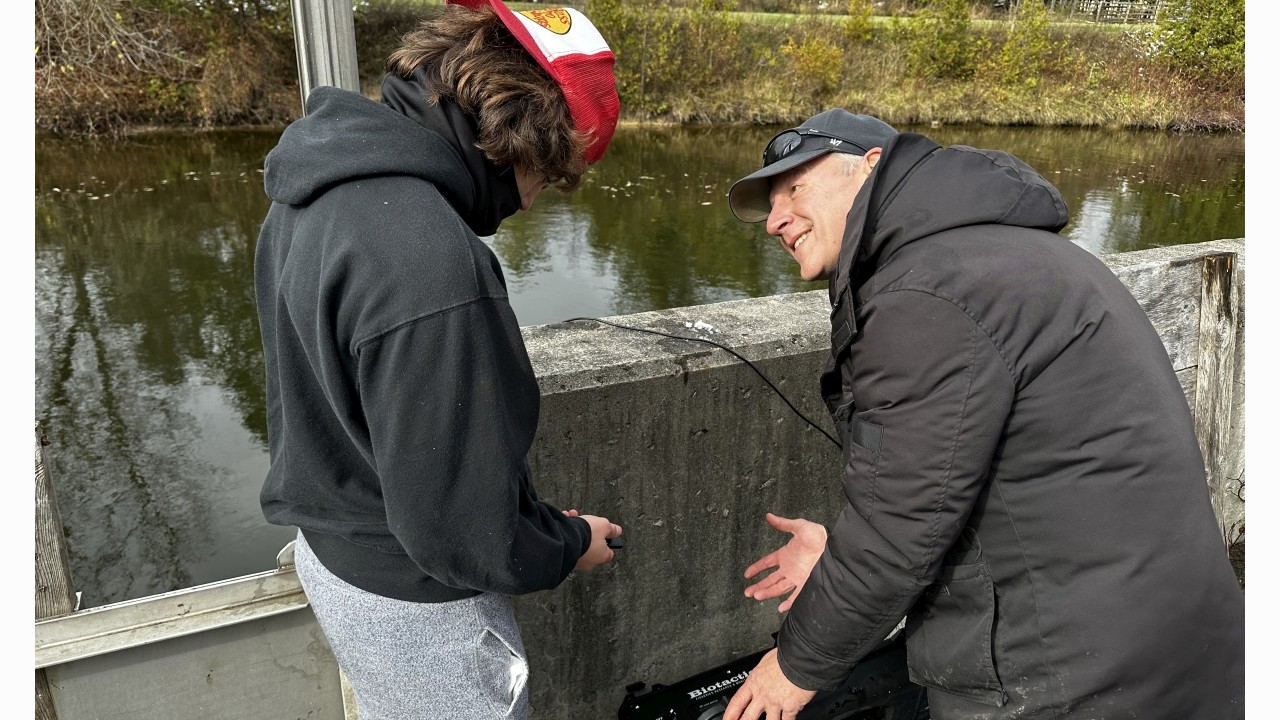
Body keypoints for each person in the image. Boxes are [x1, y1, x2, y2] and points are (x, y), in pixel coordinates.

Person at [719, 109, 1245, 720]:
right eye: (770, 201)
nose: (776, 219)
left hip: (1068, 677)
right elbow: (995, 481)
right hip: (1158, 632)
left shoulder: (926, 296)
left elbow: (900, 525)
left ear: (871, 166)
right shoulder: (1008, 254)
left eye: (796, 187)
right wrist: (841, 553)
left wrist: (795, 667)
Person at [252, 1, 623, 718]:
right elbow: (462, 536)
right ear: (527, 140)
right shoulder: (432, 263)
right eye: (550, 175)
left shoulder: (314, 189)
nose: (535, 200)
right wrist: (569, 542)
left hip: (337, 559)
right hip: (418, 614)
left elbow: (377, 427)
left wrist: (530, 519)